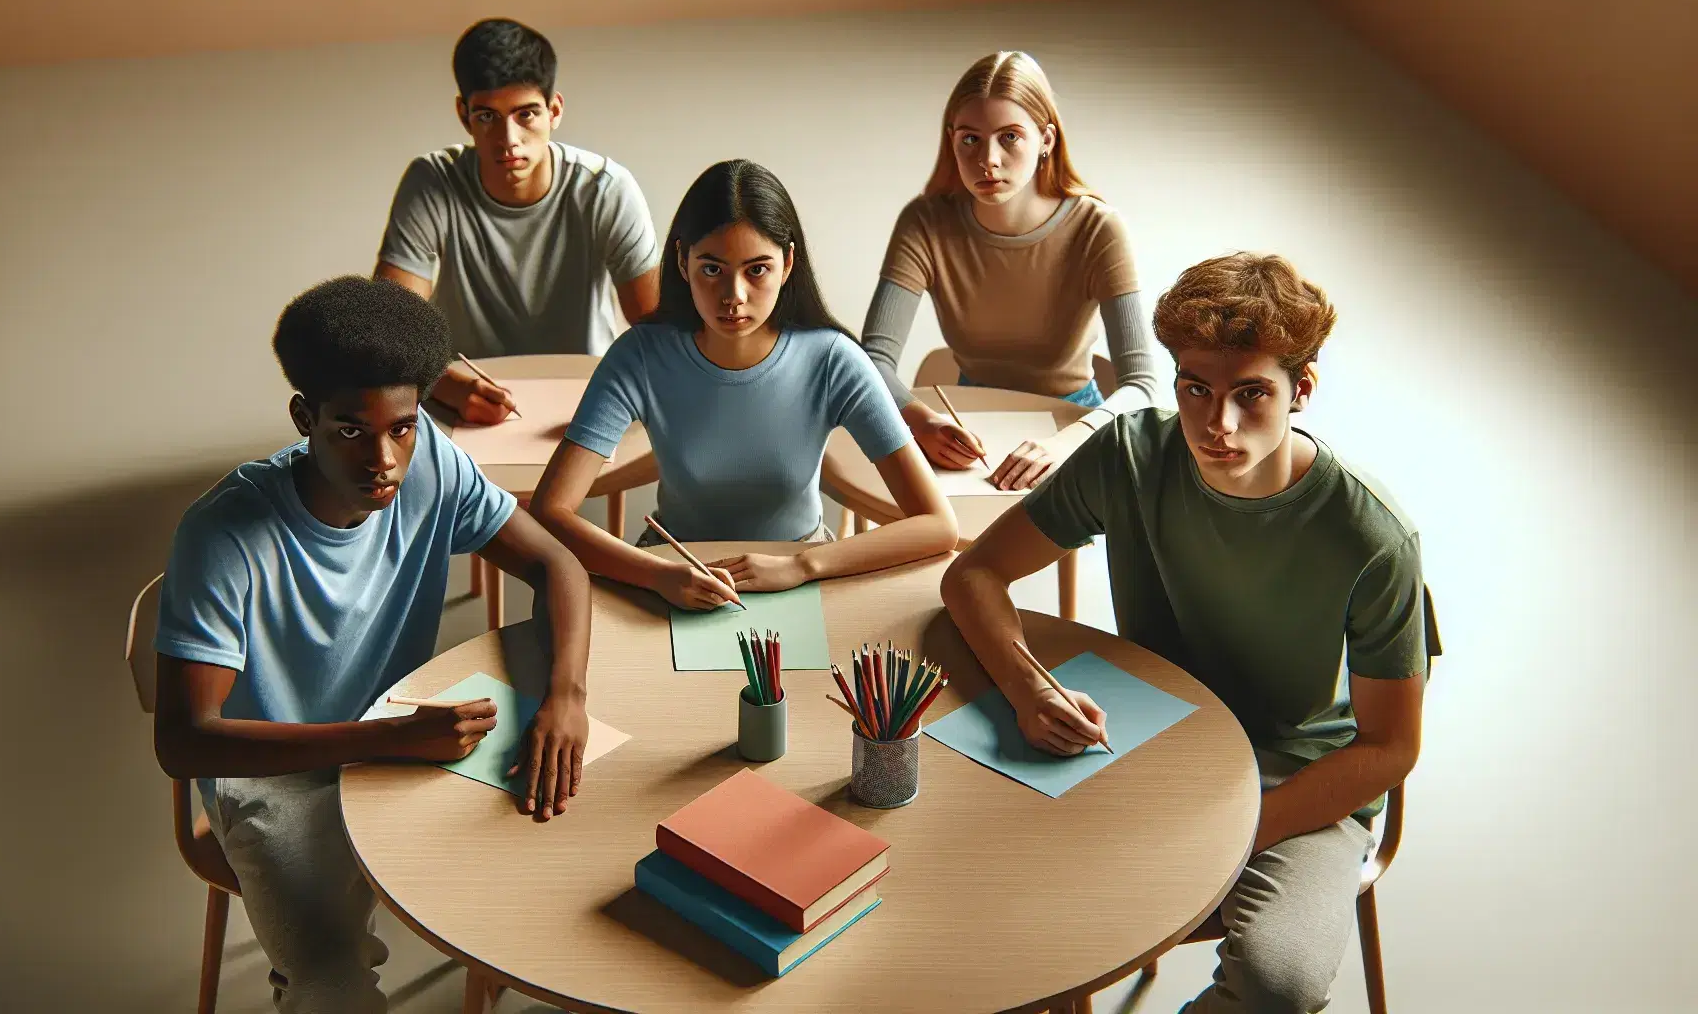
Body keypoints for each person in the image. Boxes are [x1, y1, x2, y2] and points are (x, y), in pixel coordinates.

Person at [940, 253, 1427, 1013]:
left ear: (1303, 389)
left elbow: (1391, 746)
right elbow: (973, 575)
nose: (1217, 425)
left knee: (1280, 981)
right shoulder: (1131, 454)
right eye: (1195, 390)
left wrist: (1238, 832)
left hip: (1294, 780)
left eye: (1250, 394)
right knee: (991, 912)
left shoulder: (1371, 535)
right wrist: (1030, 688)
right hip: (1144, 741)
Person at [152, 276, 593, 1013]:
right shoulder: (222, 535)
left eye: (404, 426)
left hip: (403, 744)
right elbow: (185, 743)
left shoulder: (434, 466)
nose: (385, 459)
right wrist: (383, 741)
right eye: (351, 430)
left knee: (570, 873)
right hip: (275, 778)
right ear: (305, 417)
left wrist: (567, 698)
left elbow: (559, 565)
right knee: (332, 989)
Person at [529, 160, 959, 609]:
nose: (733, 295)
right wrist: (658, 574)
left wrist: (802, 565)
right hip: (672, 572)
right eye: (712, 270)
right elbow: (551, 510)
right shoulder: (639, 355)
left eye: (757, 270)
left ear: (788, 263)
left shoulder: (833, 359)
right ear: (682, 260)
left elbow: (936, 524)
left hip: (802, 578)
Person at [859, 50, 1161, 492]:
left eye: (1010, 137)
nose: (989, 159)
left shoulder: (1099, 229)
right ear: (951, 140)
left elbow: (1143, 384)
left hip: (1073, 422)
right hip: (967, 420)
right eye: (970, 139)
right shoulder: (925, 222)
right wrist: (920, 419)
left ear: (1046, 140)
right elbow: (873, 360)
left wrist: (1062, 445)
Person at [375, 17, 662, 426]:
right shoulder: (432, 182)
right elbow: (390, 325)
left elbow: (657, 329)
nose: (508, 140)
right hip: (463, 390)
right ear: (464, 115)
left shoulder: (606, 189)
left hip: (588, 389)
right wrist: (449, 386)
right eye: (488, 117)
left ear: (554, 110)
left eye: (526, 114)